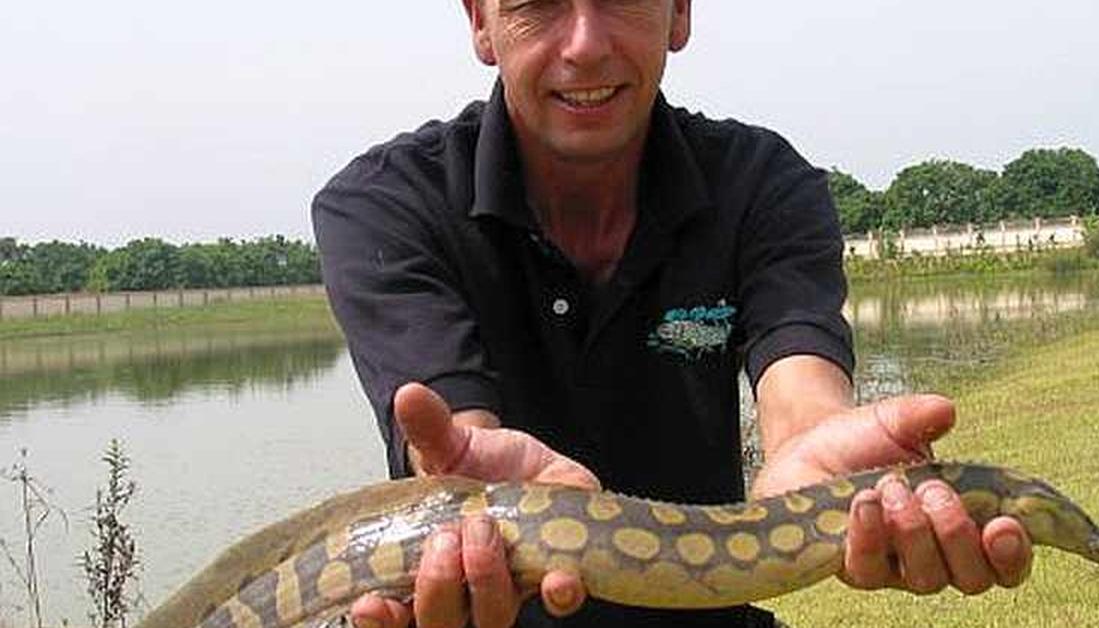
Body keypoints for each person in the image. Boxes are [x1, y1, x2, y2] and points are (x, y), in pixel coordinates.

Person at [312, 1, 1034, 626]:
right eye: (538, 4)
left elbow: (801, 396)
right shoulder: (386, 204)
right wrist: (471, 482)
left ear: (679, 13)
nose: (585, 43)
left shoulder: (761, 184)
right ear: (481, 23)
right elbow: (453, 436)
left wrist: (822, 467)